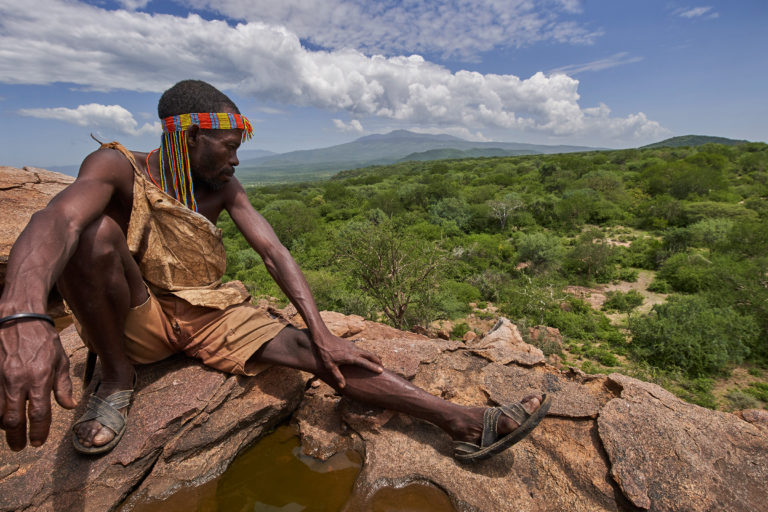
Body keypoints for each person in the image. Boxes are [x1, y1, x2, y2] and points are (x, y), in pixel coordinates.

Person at [0, 80, 549, 460]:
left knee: (319, 354)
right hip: (135, 317)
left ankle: (461, 421)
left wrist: (323, 331)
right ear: (186, 136)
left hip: (205, 308)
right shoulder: (116, 167)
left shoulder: (221, 186)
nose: (236, 160)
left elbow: (273, 251)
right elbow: (57, 222)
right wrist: (24, 314)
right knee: (95, 236)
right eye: (228, 146)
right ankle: (116, 381)